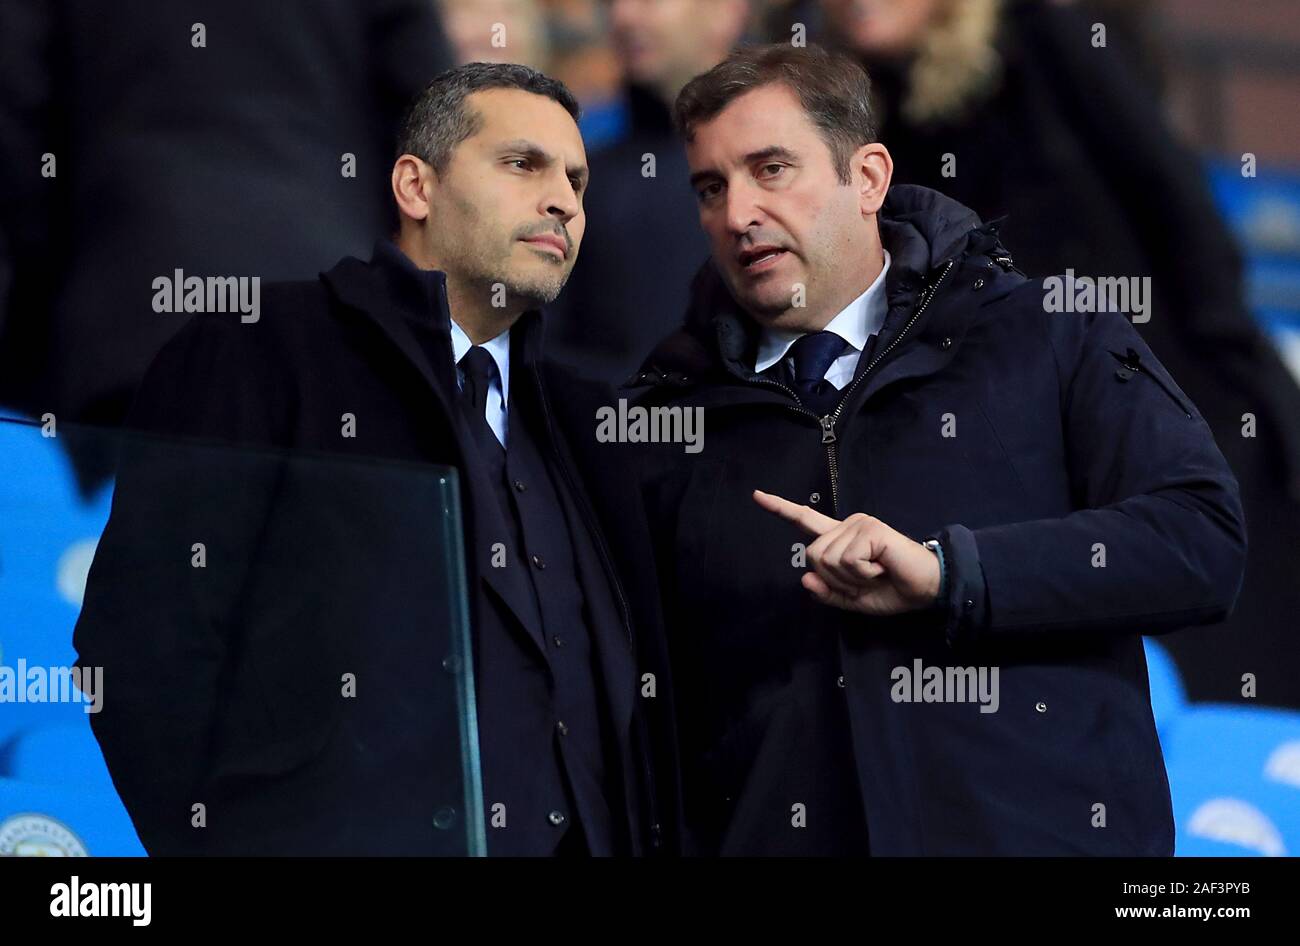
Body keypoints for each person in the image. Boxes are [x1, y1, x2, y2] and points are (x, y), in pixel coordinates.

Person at [628, 44, 1246, 855]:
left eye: (770, 169)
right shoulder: (669, 419)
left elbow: (1202, 540)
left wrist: (955, 574)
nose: (738, 212)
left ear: (870, 178)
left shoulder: (1050, 334)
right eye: (712, 187)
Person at [73, 63, 673, 857]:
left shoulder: (587, 420)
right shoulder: (261, 350)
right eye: (522, 164)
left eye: (577, 179)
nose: (563, 198)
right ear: (415, 187)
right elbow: (142, 647)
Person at [807, 0, 1300, 708]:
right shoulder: (848, 112)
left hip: (1170, 403)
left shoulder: (1038, 36)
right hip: (1025, 452)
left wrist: (1228, 373)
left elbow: (1169, 193)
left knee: (1229, 691)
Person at [546, 0, 750, 384]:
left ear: (726, 10)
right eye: (612, 3)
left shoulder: (793, 165)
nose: (623, 16)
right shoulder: (578, 173)